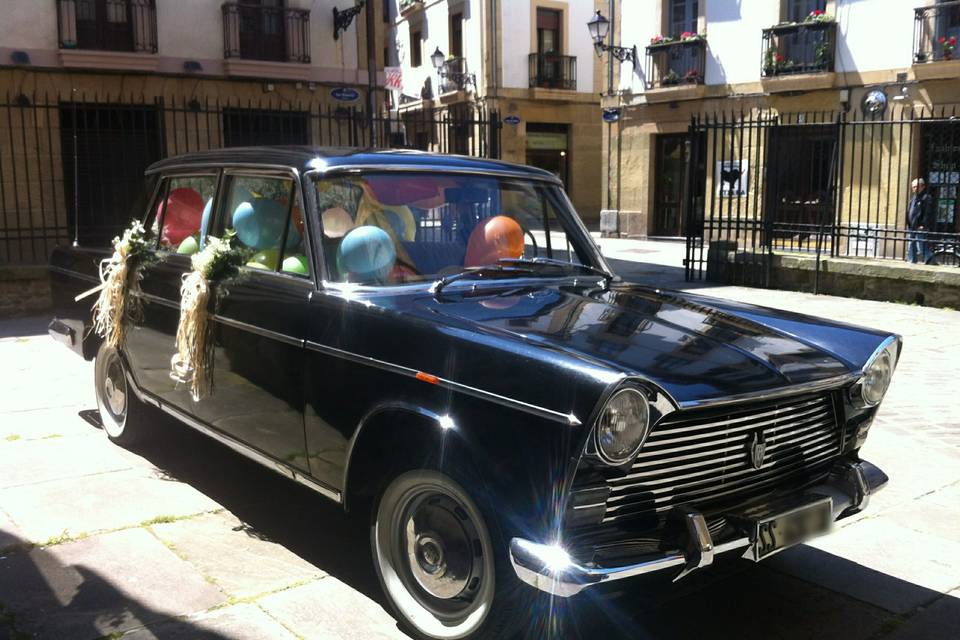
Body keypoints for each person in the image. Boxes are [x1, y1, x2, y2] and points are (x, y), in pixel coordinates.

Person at [906, 177, 935, 264]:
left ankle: (930, 260)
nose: (915, 188)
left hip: (920, 226)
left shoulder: (926, 197)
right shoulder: (914, 198)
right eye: (913, 187)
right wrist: (908, 222)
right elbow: (910, 210)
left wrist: (923, 224)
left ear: (923, 187)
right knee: (911, 244)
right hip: (912, 226)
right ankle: (912, 260)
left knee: (921, 245)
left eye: (917, 186)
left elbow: (928, 213)